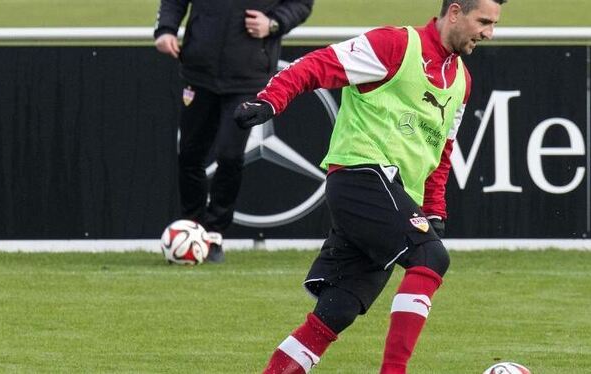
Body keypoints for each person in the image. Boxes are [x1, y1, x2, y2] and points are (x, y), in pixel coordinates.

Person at [234, 0, 506, 372]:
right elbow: (317, 64)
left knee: (336, 312)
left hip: (392, 195)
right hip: (361, 176)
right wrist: (270, 101)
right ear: (455, 12)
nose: (489, 33)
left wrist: (434, 210)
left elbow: (442, 153)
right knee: (432, 257)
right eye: (484, 21)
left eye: (493, 24)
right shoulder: (395, 45)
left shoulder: (462, 81)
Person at [154, 0, 314, 263]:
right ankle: (192, 228)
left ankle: (214, 233)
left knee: (229, 155)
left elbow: (301, 3)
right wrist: (166, 29)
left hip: (247, 76)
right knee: (190, 156)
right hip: (199, 73)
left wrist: (273, 23)